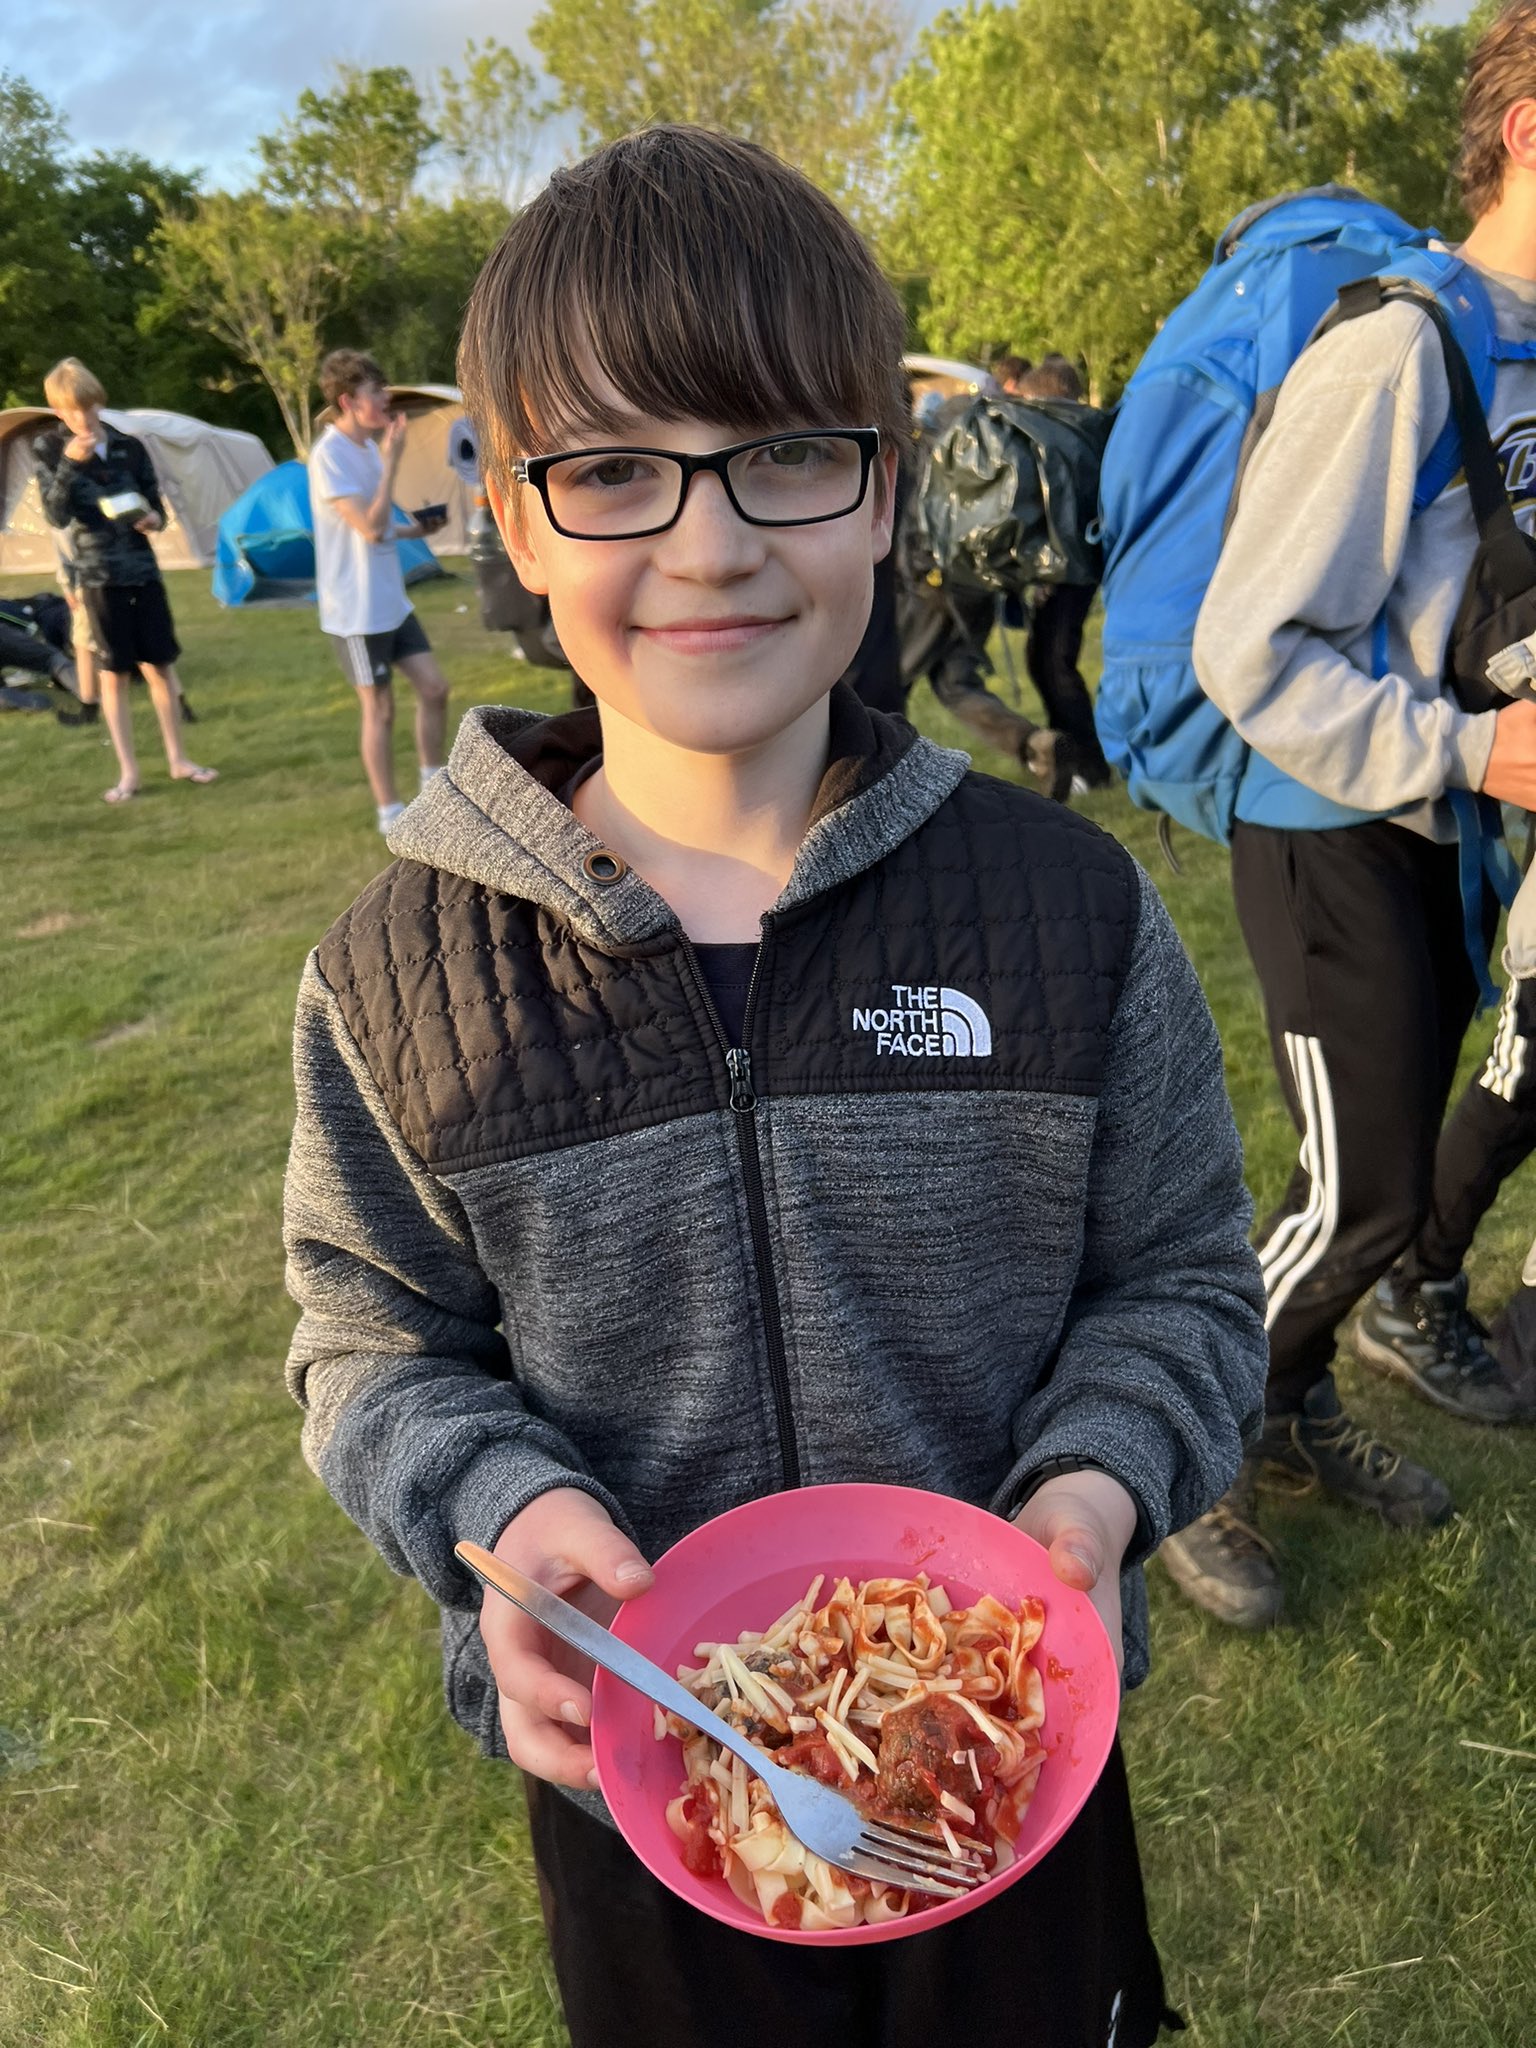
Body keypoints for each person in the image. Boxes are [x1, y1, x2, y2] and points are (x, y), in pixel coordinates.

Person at [282, 126, 1266, 2048]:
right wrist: (496, 1500)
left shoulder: (1064, 912)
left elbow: (1182, 1281)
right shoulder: (402, 978)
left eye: (787, 458)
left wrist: (1090, 1488)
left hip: (1006, 1761)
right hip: (640, 1798)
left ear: (886, 494)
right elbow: (367, 1342)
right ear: (515, 513)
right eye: (619, 471)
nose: (711, 543)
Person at [1166, 0, 1536, 1633]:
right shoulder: (1399, 342)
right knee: (1357, 1187)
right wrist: (1470, 750)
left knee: (1381, 1183)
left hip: (1441, 833)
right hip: (1328, 827)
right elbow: (1243, 643)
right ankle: (1178, 1453)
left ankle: (1293, 1406)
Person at [34, 359, 215, 802]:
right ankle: (129, 773)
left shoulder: (128, 446)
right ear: (58, 410)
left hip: (142, 570)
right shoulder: (48, 449)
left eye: (90, 407)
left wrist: (153, 518)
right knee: (113, 673)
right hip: (97, 577)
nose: (84, 418)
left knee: (160, 666)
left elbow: (157, 504)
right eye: (73, 410)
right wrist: (71, 467)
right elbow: (55, 515)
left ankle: (178, 759)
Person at [310, 351, 452, 834]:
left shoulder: (367, 448)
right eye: (376, 392)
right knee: (381, 707)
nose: (386, 398)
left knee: (434, 688)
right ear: (349, 401)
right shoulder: (330, 455)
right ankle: (390, 811)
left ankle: (434, 789)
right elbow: (368, 529)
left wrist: (419, 530)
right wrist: (391, 462)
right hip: (355, 610)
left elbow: (384, 527)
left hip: (390, 599)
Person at [1003, 354, 1113, 790]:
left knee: (1056, 663)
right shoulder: (1085, 434)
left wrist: (1047, 571)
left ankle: (1090, 763)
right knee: (1045, 660)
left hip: (1068, 571)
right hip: (1068, 568)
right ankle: (1070, 750)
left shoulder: (1065, 439)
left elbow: (1063, 512)